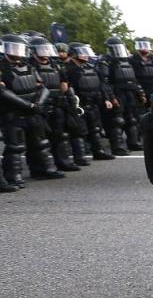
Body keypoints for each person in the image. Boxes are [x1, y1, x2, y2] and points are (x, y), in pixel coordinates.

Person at [1, 34, 66, 187]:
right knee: (15, 146)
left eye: (19, 48)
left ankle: (44, 169)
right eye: (13, 48)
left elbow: (42, 86)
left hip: (33, 111)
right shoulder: (2, 67)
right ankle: (13, 176)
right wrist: (27, 105)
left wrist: (38, 103)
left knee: (40, 142)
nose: (17, 52)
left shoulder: (29, 66)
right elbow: (3, 91)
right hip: (13, 112)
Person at [28, 36, 81, 172]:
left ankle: (62, 162)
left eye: (46, 49)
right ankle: (39, 168)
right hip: (38, 106)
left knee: (59, 135)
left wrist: (66, 99)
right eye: (42, 50)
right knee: (38, 139)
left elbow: (64, 83)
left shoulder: (55, 64)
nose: (45, 52)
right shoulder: (30, 66)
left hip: (56, 104)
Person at [65, 42, 116, 162]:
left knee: (95, 129)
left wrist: (106, 99)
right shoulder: (68, 69)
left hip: (93, 103)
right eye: (82, 53)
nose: (85, 55)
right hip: (79, 104)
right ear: (74, 53)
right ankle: (80, 157)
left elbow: (101, 84)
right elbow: (67, 87)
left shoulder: (91, 67)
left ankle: (99, 151)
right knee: (79, 131)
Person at [99, 36, 146, 152]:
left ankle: (133, 142)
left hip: (130, 93)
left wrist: (140, 93)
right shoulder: (106, 61)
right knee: (118, 120)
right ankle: (118, 146)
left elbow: (134, 79)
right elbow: (104, 82)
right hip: (117, 92)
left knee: (132, 119)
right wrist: (111, 97)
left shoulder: (127, 61)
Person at [129, 38, 153, 104]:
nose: (144, 48)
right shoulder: (132, 60)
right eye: (141, 45)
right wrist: (140, 92)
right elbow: (132, 77)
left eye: (145, 45)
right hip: (140, 93)